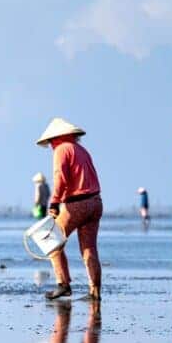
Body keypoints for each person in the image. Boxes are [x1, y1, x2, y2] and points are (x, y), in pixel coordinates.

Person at [36, 118, 103, 301]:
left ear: (55, 138)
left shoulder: (61, 149)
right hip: (95, 202)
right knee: (89, 248)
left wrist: (54, 203)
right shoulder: (81, 150)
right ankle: (95, 292)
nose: (50, 145)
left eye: (50, 141)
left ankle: (63, 284)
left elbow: (60, 179)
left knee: (51, 241)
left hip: (78, 203)